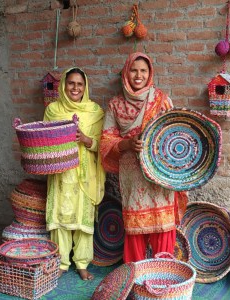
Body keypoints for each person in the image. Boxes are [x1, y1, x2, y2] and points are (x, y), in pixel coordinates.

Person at [100, 52, 188, 263]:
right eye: (133, 70)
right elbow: (105, 141)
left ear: (150, 74)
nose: (138, 75)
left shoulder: (162, 100)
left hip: (160, 172)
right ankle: (135, 276)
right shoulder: (115, 105)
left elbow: (174, 133)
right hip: (132, 174)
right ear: (125, 72)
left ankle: (164, 275)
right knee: (136, 226)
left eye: (143, 71)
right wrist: (128, 144)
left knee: (163, 225)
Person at [43, 67, 105, 280]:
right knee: (60, 216)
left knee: (82, 218)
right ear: (63, 85)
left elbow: (102, 144)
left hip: (85, 172)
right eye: (71, 83)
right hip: (61, 172)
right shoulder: (53, 109)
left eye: (80, 84)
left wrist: (86, 139)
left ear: (85, 87)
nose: (75, 88)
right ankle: (61, 263)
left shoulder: (94, 111)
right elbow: (45, 139)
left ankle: (81, 263)